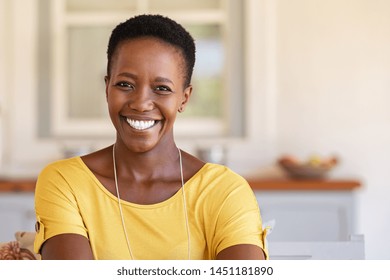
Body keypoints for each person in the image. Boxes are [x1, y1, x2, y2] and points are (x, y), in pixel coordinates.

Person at [34, 14, 268, 260]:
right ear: (107, 88)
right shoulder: (66, 182)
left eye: (162, 89)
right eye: (125, 84)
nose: (141, 103)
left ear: (184, 98)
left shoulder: (224, 191)